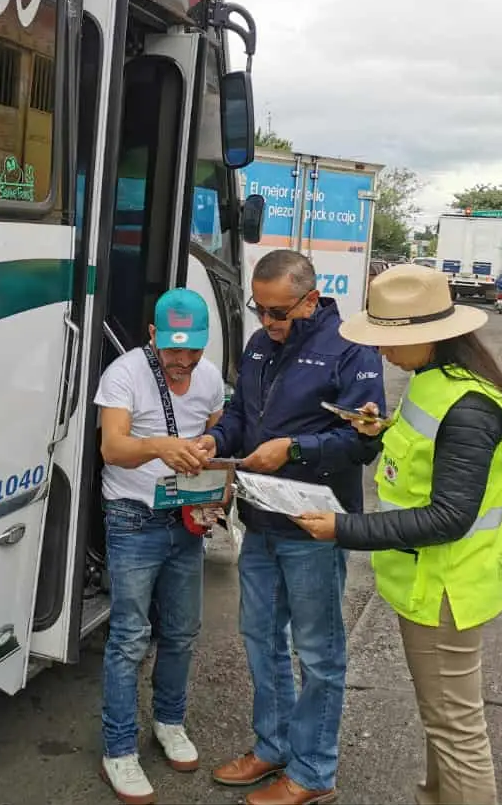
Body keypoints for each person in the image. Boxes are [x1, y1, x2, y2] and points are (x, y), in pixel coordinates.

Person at [292, 263, 502, 805]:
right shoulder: (432, 383)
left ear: (431, 336)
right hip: (423, 584)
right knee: (442, 722)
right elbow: (422, 458)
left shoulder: (470, 407)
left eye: (391, 342)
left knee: (457, 733)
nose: (382, 355)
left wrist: (342, 529)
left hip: (446, 590)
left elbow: (449, 515)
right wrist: (379, 429)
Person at [200, 250, 386, 805]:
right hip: (259, 521)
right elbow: (241, 414)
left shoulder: (352, 348)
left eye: (279, 312)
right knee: (261, 639)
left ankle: (312, 772)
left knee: (319, 652)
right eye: (260, 310)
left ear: (311, 298)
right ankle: (273, 746)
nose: (268, 324)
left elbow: (365, 441)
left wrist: (295, 449)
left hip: (313, 526)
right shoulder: (260, 345)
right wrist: (218, 440)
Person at [94, 287, 225, 805]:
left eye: (191, 349)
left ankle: (169, 722)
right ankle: (118, 750)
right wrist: (160, 446)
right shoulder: (124, 374)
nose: (182, 360)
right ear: (152, 336)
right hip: (133, 518)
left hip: (187, 520)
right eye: (172, 349)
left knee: (182, 632)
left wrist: (220, 493)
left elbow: (220, 439)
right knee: (129, 636)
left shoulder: (211, 377)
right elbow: (113, 447)